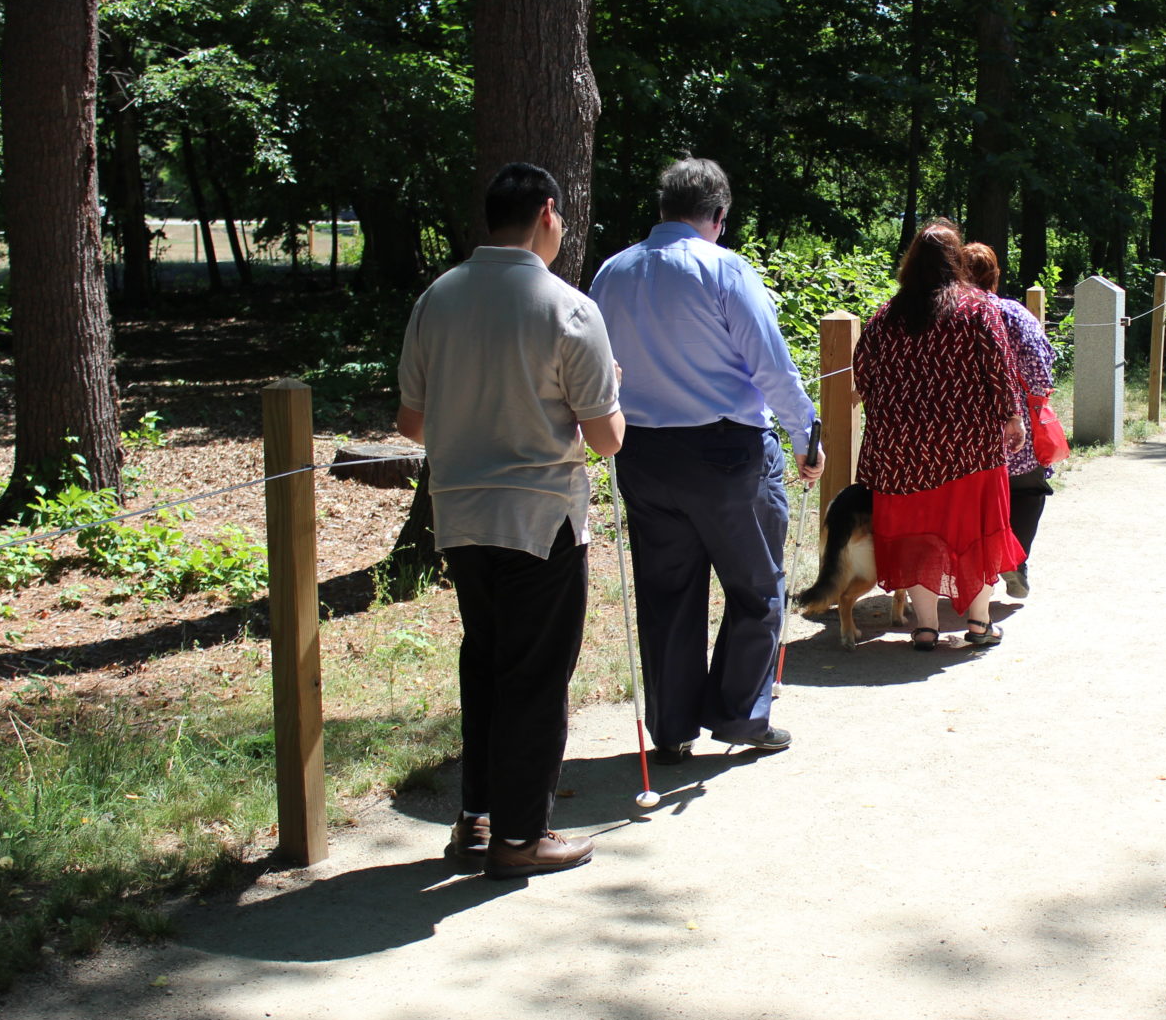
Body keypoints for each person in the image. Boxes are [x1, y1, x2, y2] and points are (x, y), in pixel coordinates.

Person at [397, 162, 624, 879]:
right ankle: (523, 835)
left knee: (485, 661)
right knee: (534, 675)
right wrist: (610, 394)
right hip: (541, 520)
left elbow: (410, 422)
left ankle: (477, 819)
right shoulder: (569, 308)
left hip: (461, 514)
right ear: (548, 214)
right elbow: (607, 437)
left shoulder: (438, 298)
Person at [587, 158, 821, 765]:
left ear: (663, 210)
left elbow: (592, 363)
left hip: (641, 451)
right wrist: (805, 436)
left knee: (666, 594)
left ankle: (672, 727)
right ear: (718, 216)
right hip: (726, 454)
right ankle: (740, 715)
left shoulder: (612, 272)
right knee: (756, 587)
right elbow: (771, 363)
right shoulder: (724, 268)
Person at [854, 220, 1027, 651]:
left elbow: (863, 372)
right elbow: (1000, 370)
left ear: (911, 261)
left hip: (902, 454)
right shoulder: (978, 307)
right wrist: (1012, 418)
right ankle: (978, 623)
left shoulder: (888, 315)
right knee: (979, 530)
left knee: (917, 537)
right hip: (970, 448)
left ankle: (926, 628)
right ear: (955, 260)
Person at [960, 242, 1055, 599]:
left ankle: (973, 569)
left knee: (971, 498)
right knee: (1028, 490)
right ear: (994, 277)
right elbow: (1040, 368)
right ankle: (1016, 559)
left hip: (960, 429)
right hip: (1014, 426)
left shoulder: (948, 315)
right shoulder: (1013, 313)